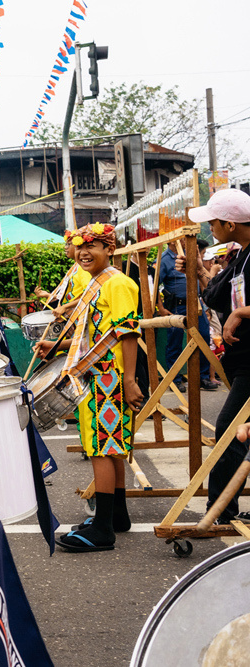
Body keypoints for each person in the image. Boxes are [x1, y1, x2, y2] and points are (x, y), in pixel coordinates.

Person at [34, 224, 143, 552]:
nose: (83, 252)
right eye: (80, 246)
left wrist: (130, 380)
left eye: (93, 246)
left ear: (110, 249)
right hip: (98, 375)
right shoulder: (100, 283)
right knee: (109, 449)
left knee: (101, 450)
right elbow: (96, 333)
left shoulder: (119, 283)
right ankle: (117, 516)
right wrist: (56, 346)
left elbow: (127, 333)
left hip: (108, 378)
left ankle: (103, 529)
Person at [191, 188, 250, 523]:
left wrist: (242, 313)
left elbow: (233, 306)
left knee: (230, 430)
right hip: (242, 359)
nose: (209, 228)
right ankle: (222, 510)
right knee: (237, 431)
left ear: (229, 224)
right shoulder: (240, 254)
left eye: (213, 222)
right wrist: (200, 270)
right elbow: (215, 296)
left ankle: (221, 512)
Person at [160, 242, 220, 391]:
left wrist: (204, 305)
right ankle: (175, 379)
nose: (184, 241)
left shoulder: (191, 254)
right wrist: (160, 308)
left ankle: (203, 377)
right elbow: (154, 285)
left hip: (195, 303)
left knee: (204, 337)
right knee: (175, 341)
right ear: (172, 240)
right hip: (176, 305)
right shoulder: (164, 260)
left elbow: (201, 277)